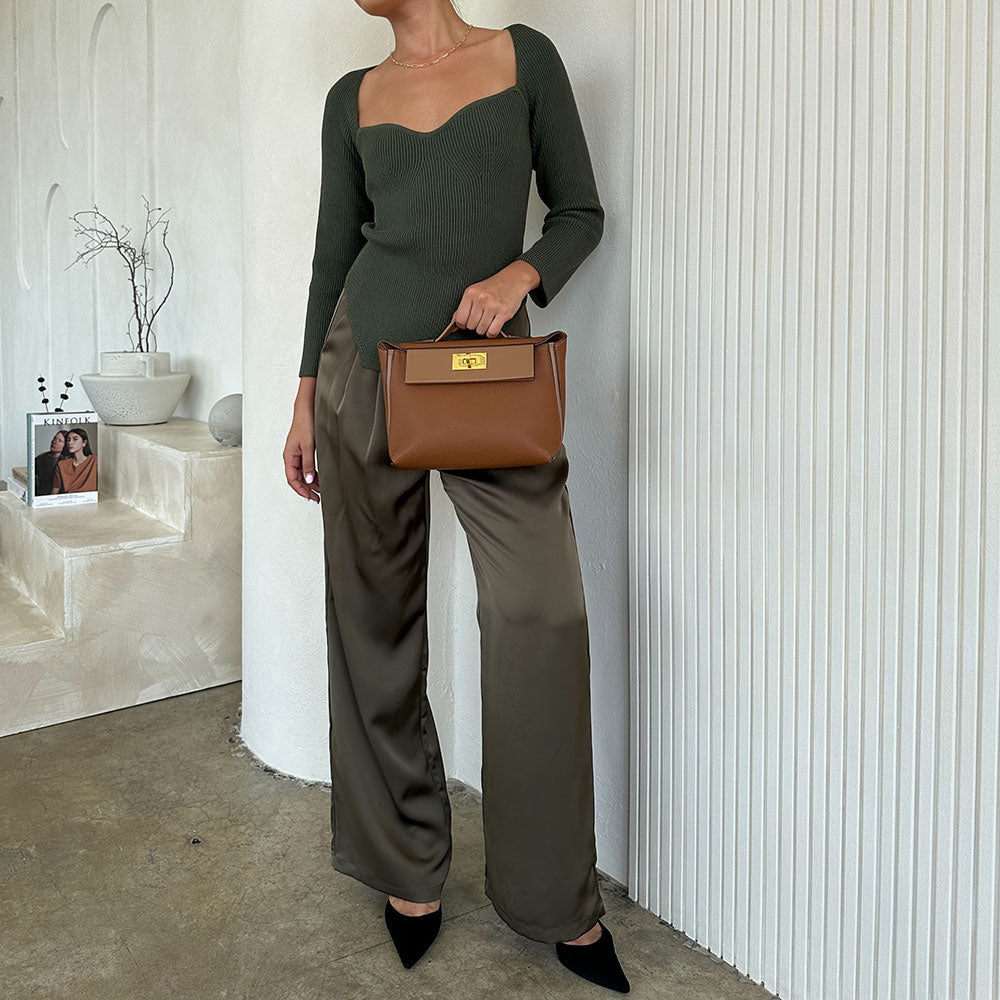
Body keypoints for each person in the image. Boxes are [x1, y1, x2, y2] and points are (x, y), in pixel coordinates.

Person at [283, 2, 629, 992]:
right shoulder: (351, 99)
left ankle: (554, 895)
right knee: (373, 621)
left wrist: (518, 272)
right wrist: (306, 395)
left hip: (488, 378)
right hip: (362, 377)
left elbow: (579, 213)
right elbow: (329, 257)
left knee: (541, 611)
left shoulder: (525, 60)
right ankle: (406, 868)